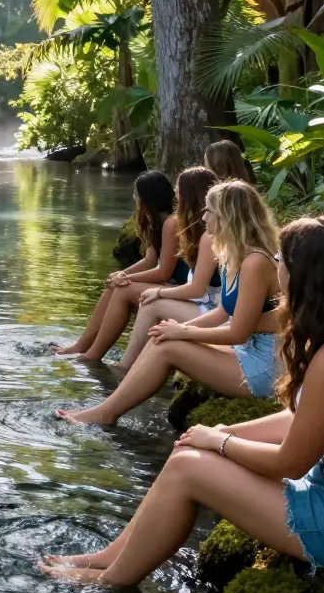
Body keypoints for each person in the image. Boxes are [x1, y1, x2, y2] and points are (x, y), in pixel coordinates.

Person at [41, 216, 324, 585]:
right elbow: (302, 418)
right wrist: (222, 431)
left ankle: (112, 580)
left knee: (187, 469)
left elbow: (290, 461)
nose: (276, 266)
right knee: (189, 452)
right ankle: (109, 559)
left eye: (281, 259)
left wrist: (221, 442)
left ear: (305, 275)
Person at [57, 180, 279, 424]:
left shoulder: (256, 262)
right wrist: (175, 329)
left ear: (229, 216)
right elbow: (222, 313)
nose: (203, 217)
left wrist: (183, 330)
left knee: (169, 345)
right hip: (245, 351)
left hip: (263, 367)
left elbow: (239, 332)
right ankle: (109, 406)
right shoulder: (232, 255)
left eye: (209, 211)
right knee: (161, 336)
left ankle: (105, 414)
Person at [54, 172, 186, 359]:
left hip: (179, 289)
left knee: (123, 286)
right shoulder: (155, 222)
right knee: (114, 286)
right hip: (169, 286)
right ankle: (81, 346)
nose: (134, 198)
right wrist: (121, 274)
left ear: (146, 198)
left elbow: (164, 272)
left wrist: (126, 278)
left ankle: (92, 355)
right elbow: (149, 261)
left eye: (136, 194)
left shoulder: (171, 223)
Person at [120, 167, 222, 370]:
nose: (175, 198)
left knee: (151, 303)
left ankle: (125, 367)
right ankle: (118, 361)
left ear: (189, 198)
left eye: (178, 193)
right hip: (208, 303)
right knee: (141, 295)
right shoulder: (197, 231)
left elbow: (197, 289)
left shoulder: (209, 237)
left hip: (213, 308)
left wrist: (159, 291)